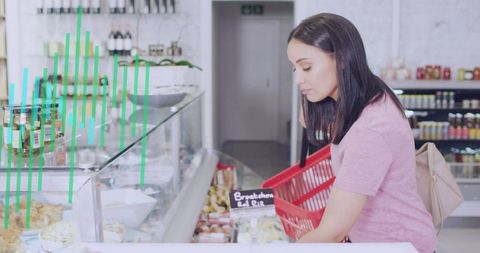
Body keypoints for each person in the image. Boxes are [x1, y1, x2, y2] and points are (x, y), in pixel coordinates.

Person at [287, 13, 437, 253]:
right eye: (294, 68)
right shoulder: (366, 97)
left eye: (306, 66)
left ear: (342, 60)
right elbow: (310, 123)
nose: (297, 79)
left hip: (398, 246)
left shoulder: (371, 129)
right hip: (376, 240)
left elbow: (333, 231)